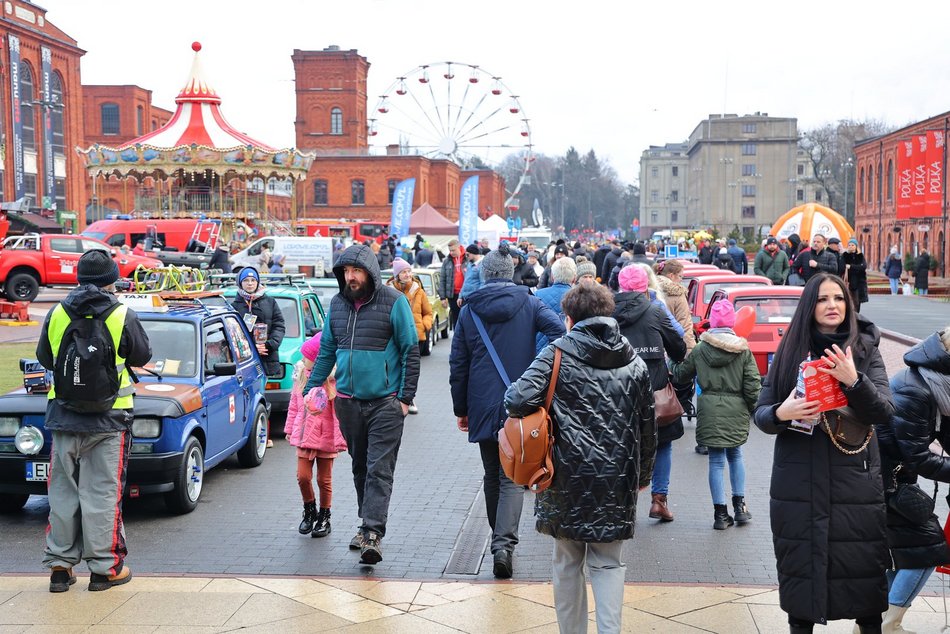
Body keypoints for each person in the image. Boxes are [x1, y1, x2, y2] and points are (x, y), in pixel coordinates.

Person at [504, 284, 655, 633]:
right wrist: (642, 475)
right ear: (608, 314)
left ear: (569, 318)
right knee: (610, 564)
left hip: (563, 478)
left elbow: (516, 400)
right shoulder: (633, 361)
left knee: (567, 562)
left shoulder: (555, 354)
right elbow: (648, 426)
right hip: (617, 480)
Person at [752, 272, 895, 633]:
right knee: (802, 579)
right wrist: (782, 414)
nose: (832, 305)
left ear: (848, 305)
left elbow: (885, 413)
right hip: (797, 482)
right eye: (822, 299)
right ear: (809, 306)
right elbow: (762, 413)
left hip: (856, 483)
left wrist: (854, 381)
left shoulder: (864, 350)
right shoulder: (789, 351)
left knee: (863, 577)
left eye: (838, 298)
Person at [38, 250, 152, 592]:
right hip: (110, 418)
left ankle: (60, 566)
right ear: (111, 280)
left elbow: (45, 356)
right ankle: (105, 569)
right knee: (102, 494)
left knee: (61, 492)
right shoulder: (121, 313)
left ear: (78, 279)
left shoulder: (57, 312)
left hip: (63, 415)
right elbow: (142, 355)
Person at [449, 243, 565, 579]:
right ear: (510, 273)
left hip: (483, 402)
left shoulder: (470, 311)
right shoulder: (529, 302)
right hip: (522, 401)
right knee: (513, 475)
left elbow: (459, 364)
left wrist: (461, 407)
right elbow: (559, 332)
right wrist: (539, 369)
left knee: (491, 473)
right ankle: (504, 546)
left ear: (485, 275)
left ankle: (498, 538)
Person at [303, 244, 420, 565]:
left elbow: (411, 349)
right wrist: (311, 389)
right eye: (346, 272)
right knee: (359, 467)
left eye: (356, 271)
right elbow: (326, 349)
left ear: (370, 272)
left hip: (386, 404)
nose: (351, 278)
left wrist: (404, 399)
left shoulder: (394, 302)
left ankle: (372, 533)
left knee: (378, 469)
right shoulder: (337, 305)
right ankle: (365, 524)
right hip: (348, 403)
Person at [877, 325, 950, 632]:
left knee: (905, 553)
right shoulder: (915, 389)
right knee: (927, 550)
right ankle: (886, 626)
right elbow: (917, 456)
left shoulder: (935, 382)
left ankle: (880, 623)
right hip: (883, 481)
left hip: (893, 480)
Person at [671, 300, 760, 530]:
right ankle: (740, 507)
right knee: (736, 455)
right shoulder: (743, 349)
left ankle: (720, 514)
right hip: (736, 409)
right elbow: (752, 385)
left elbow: (681, 375)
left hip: (709, 410)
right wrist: (752, 408)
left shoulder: (701, 349)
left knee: (716, 460)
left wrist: (672, 361)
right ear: (732, 322)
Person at [613, 265, 687, 523]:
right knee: (663, 443)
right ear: (646, 286)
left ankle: (624, 503)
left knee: (624, 445)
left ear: (620, 286)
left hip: (618, 392)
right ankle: (659, 501)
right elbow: (679, 348)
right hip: (655, 393)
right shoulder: (656, 311)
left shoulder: (608, 313)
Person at [285, 333, 347, 538]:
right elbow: (294, 406)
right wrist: (289, 429)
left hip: (326, 438)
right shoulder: (301, 377)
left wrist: (341, 438)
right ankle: (309, 509)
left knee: (324, 480)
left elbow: (338, 416)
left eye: (306, 357)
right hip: (304, 436)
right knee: (303, 477)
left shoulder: (333, 382)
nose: (303, 360)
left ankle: (325, 516)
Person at [230, 267, 285, 448]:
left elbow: (279, 325)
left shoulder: (270, 301)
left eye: (253, 281)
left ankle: (264, 435)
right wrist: (250, 348)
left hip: (265, 358)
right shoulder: (235, 305)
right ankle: (243, 435)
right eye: (246, 281)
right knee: (245, 397)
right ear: (240, 283)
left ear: (258, 282)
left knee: (260, 395)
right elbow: (232, 332)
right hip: (244, 360)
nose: (250, 284)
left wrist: (268, 345)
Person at [386, 257, 430, 414]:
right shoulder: (388, 291)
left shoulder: (419, 291)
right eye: (403, 272)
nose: (407, 274)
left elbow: (428, 313)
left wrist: (424, 326)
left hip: (415, 337)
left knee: (410, 368)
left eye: (409, 271)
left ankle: (409, 398)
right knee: (394, 366)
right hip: (393, 337)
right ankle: (394, 396)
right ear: (397, 275)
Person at [535, 256, 576, 352]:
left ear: (553, 276)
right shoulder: (579, 298)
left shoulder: (537, 295)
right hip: (569, 350)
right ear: (574, 277)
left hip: (540, 351)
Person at [439, 239, 466, 330]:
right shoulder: (447, 261)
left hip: (466, 294)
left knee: (466, 319)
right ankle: (457, 340)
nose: (451, 252)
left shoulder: (467, 258)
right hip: (453, 295)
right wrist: (442, 297)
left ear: (459, 248)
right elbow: (442, 279)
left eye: (453, 250)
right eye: (450, 250)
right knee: (456, 319)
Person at [842, 238, 869, 313]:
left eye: (852, 245)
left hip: (859, 282)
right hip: (849, 281)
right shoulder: (845, 255)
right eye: (849, 245)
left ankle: (856, 317)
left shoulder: (860, 255)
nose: (850, 246)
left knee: (857, 302)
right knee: (848, 301)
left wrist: (851, 266)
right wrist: (857, 267)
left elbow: (863, 266)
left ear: (856, 246)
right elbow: (842, 267)